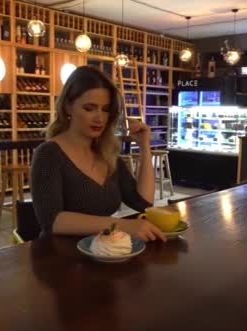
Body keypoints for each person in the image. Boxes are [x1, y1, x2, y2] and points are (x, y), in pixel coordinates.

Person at [29, 66, 166, 242]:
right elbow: (52, 221)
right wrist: (119, 224)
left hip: (104, 253)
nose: (99, 118)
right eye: (89, 108)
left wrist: (144, 147)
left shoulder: (107, 153)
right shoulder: (49, 154)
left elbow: (144, 203)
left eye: (105, 109)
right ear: (68, 107)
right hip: (61, 258)